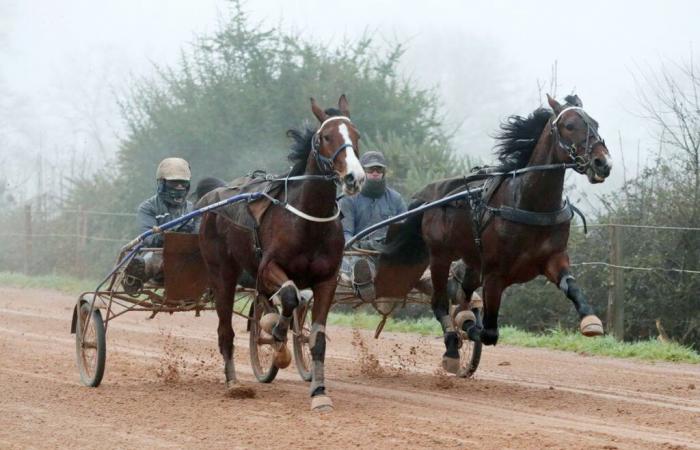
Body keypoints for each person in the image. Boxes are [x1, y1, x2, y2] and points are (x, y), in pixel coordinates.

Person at [122, 157, 199, 293]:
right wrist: (171, 234)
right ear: (162, 184)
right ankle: (134, 277)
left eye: (183, 184)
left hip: (189, 257)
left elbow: (201, 235)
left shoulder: (193, 209)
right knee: (153, 258)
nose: (180, 187)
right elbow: (149, 239)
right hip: (159, 254)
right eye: (175, 184)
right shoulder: (147, 208)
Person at [340, 151, 406, 301]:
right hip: (359, 253)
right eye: (370, 170)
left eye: (379, 170)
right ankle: (364, 282)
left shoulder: (396, 199)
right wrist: (360, 246)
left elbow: (405, 230)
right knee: (360, 264)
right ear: (362, 172)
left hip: (390, 253)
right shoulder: (348, 198)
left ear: (384, 172)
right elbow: (345, 233)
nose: (375, 173)